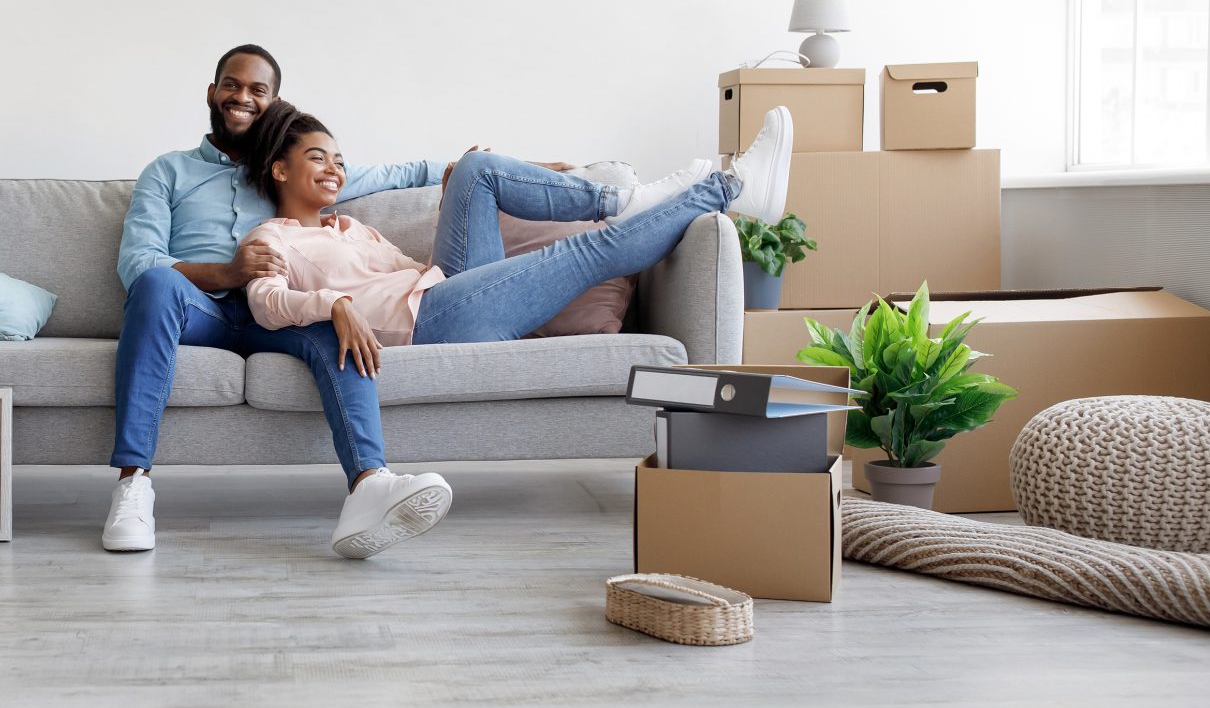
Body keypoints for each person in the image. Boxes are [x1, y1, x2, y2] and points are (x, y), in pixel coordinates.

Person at [104, 43, 465, 560]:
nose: (242, 97)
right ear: (213, 92)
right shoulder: (169, 171)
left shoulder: (288, 165)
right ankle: (133, 485)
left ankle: (369, 485)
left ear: (273, 102)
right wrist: (226, 272)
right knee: (158, 283)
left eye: (257, 90)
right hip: (196, 308)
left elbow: (396, 174)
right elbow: (137, 265)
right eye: (232, 85)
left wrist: (475, 168)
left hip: (272, 310)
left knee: (334, 320)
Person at [237, 102, 792, 383]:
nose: (334, 170)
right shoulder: (271, 238)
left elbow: (418, 269)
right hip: (426, 326)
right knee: (580, 254)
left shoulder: (353, 227)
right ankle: (731, 187)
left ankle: (622, 201)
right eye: (317, 159)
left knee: (476, 170)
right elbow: (265, 304)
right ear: (280, 172)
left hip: (442, 295)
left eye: (339, 160)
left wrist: (451, 208)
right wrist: (332, 304)